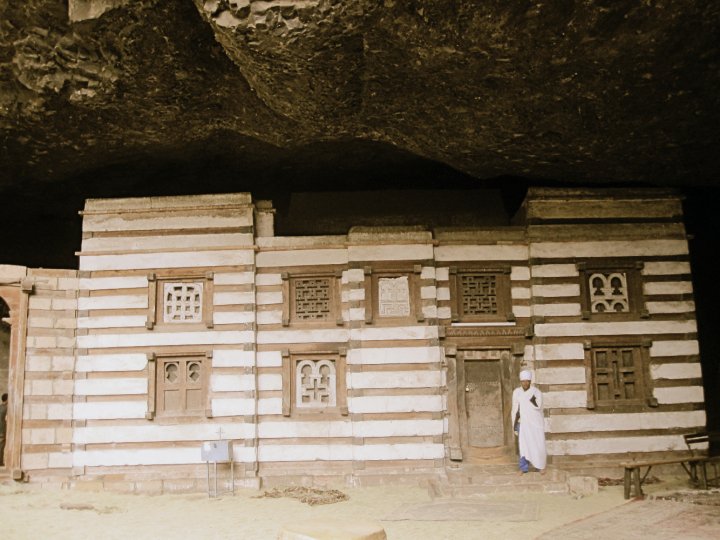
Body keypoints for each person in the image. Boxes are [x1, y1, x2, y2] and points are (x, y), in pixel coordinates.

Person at [511, 370, 546, 475]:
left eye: (527, 381)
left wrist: (531, 398)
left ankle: (540, 466)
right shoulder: (517, 392)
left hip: (535, 423)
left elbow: (538, 406)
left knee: (537, 444)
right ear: (520, 382)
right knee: (523, 445)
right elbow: (515, 408)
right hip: (522, 423)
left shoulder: (536, 392)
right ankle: (523, 468)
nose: (525, 383)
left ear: (530, 381)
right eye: (523, 381)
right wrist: (515, 424)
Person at [0, 393, 7, 467]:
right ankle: (0, 462)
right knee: (1, 446)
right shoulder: (6, 408)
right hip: (2, 430)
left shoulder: (0, 406)